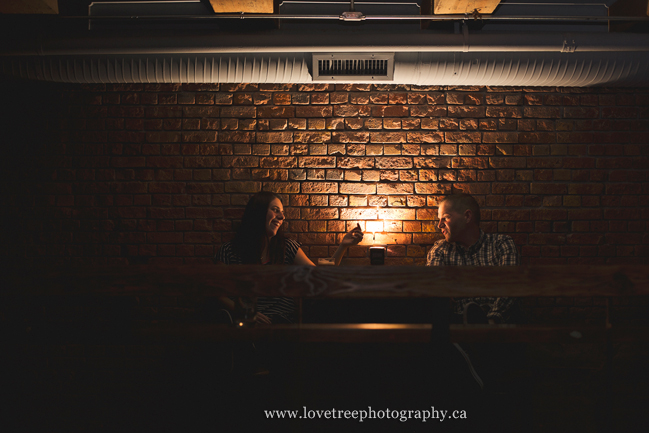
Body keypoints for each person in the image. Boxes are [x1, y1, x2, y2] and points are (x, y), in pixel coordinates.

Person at [215, 190, 364, 325]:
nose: (281, 216)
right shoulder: (230, 250)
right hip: (244, 321)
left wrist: (342, 246)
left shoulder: (287, 247)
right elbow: (216, 292)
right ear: (258, 212)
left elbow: (319, 275)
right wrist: (244, 312)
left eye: (282, 212)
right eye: (275, 210)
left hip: (281, 322)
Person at [426, 193, 520, 324]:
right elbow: (435, 290)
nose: (439, 225)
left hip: (497, 328)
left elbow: (510, 288)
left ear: (467, 216)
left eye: (446, 218)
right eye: (439, 219)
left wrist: (491, 321)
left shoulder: (501, 244)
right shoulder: (440, 250)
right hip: (455, 328)